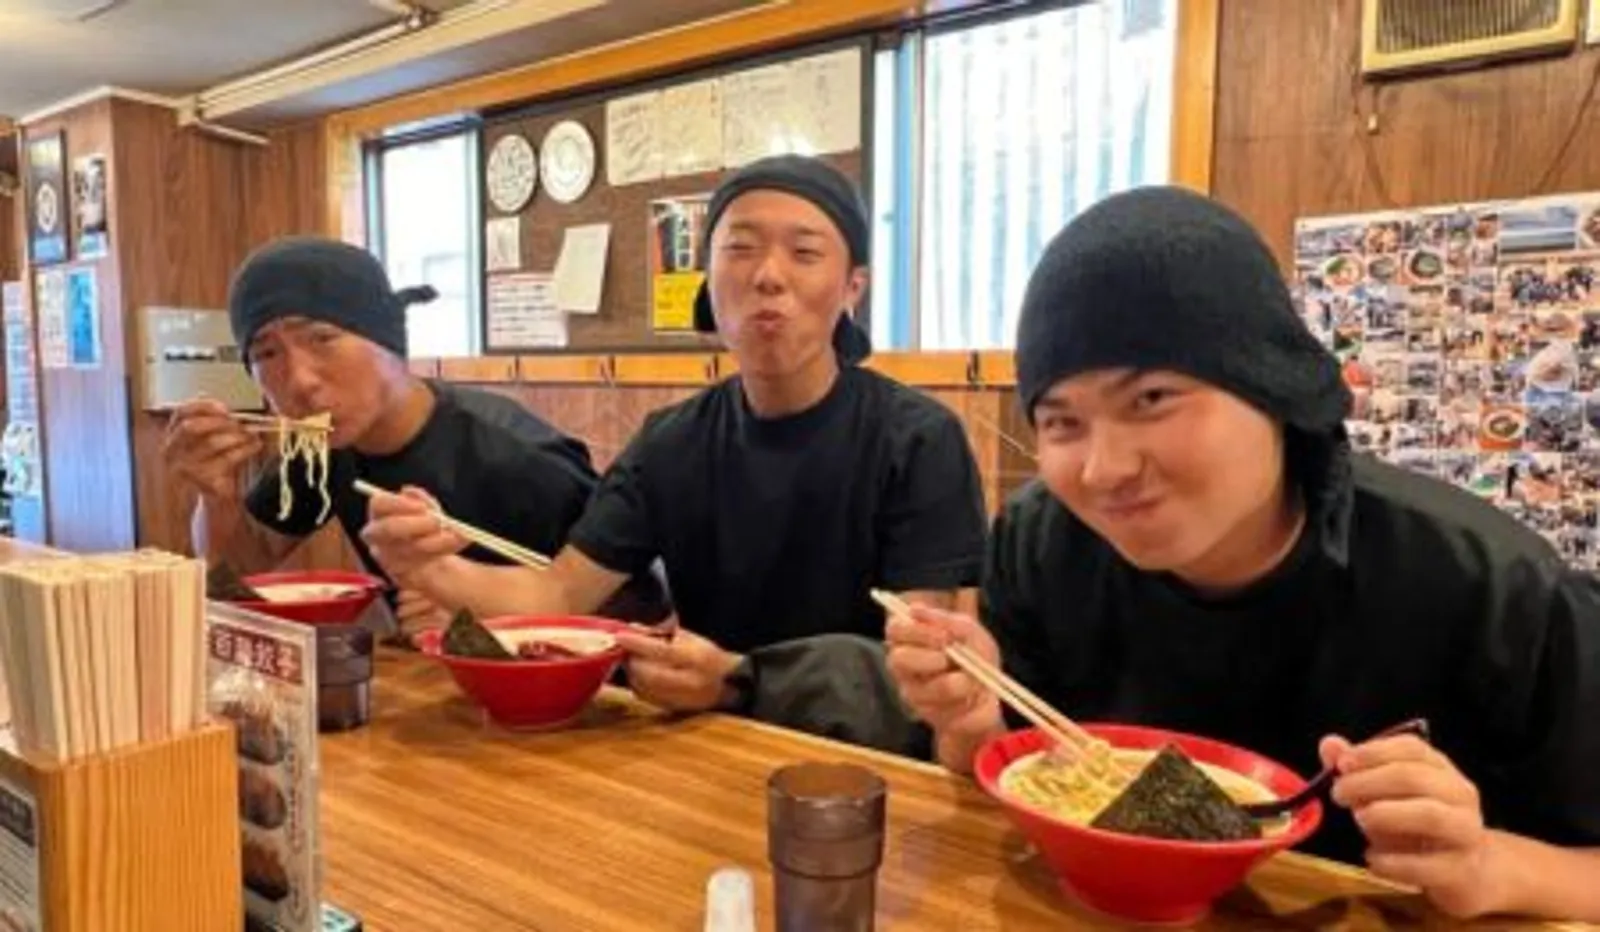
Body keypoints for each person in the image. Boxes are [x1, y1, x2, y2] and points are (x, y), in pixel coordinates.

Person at [884, 188, 1600, 922]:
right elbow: (1010, 784)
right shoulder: (1041, 544)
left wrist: (1489, 865)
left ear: (1275, 384)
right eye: (1062, 422)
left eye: (1153, 397)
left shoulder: (1492, 588)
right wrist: (969, 727)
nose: (1103, 469)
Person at [364, 155, 987, 725]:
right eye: (740, 249)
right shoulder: (672, 442)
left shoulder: (917, 440)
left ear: (853, 287)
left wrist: (741, 682)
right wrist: (429, 567)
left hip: (860, 758)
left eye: (804, 252)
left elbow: (918, 672)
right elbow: (556, 593)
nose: (768, 275)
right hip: (708, 736)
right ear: (708, 282)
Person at [162, 236, 655, 636]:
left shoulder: (514, 456)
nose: (300, 381)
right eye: (267, 354)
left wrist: (488, 628)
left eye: (322, 338)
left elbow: (645, 616)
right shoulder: (323, 451)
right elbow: (240, 575)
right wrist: (217, 497)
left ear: (388, 340)